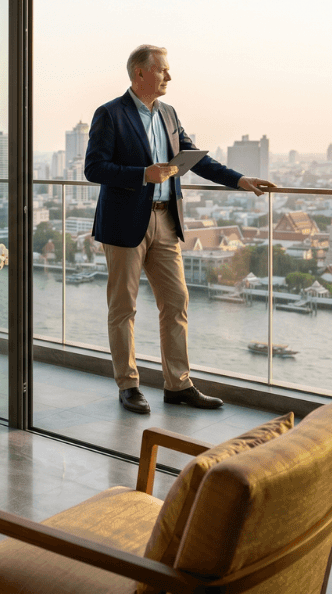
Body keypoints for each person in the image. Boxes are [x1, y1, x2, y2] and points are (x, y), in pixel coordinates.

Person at [84, 45, 276, 414]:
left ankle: (178, 384)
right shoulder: (109, 114)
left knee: (177, 302)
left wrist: (239, 180)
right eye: (162, 71)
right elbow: (94, 168)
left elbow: (196, 158)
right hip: (125, 223)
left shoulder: (169, 114)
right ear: (140, 73)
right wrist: (143, 174)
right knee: (123, 308)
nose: (169, 77)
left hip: (166, 221)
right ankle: (128, 385)